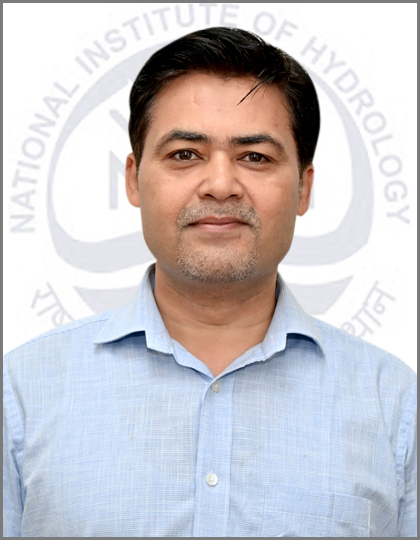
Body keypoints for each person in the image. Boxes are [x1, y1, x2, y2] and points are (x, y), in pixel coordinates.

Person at [3, 27, 416, 538]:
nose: (220, 185)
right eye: (185, 154)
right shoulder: (20, 395)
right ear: (133, 179)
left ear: (304, 188)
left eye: (255, 157)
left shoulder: (395, 405)